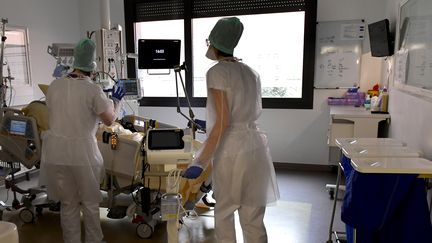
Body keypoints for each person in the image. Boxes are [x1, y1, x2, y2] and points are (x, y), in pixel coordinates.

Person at [183, 17, 280, 243]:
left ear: (215, 42)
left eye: (209, 40)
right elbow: (238, 114)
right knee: (253, 216)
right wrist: (210, 123)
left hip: (232, 151)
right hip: (256, 148)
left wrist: (199, 161)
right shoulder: (251, 72)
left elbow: (225, 121)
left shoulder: (217, 72)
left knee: (225, 212)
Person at [40, 38, 124, 243]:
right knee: (89, 202)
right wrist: (116, 101)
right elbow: (109, 120)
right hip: (83, 155)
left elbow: (58, 113)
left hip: (56, 153)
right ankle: (94, 240)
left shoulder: (55, 86)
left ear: (75, 62)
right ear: (92, 67)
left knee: (68, 203)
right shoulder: (92, 89)